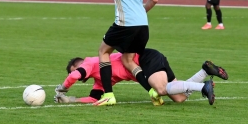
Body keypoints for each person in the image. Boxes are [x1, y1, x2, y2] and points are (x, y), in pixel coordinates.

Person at [57, 0, 159, 106]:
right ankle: (152, 91)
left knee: (103, 51)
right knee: (129, 60)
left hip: (125, 23)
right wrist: (141, 13)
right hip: (143, 26)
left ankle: (109, 95)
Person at [54, 48, 229, 106]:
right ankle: (205, 71)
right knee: (179, 98)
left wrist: (64, 87)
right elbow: (94, 99)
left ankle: (203, 87)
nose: (71, 73)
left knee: (160, 89)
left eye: (71, 69)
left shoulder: (90, 62)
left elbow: (76, 75)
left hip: (146, 60)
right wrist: (71, 99)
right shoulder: (100, 78)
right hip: (150, 63)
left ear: (79, 63)